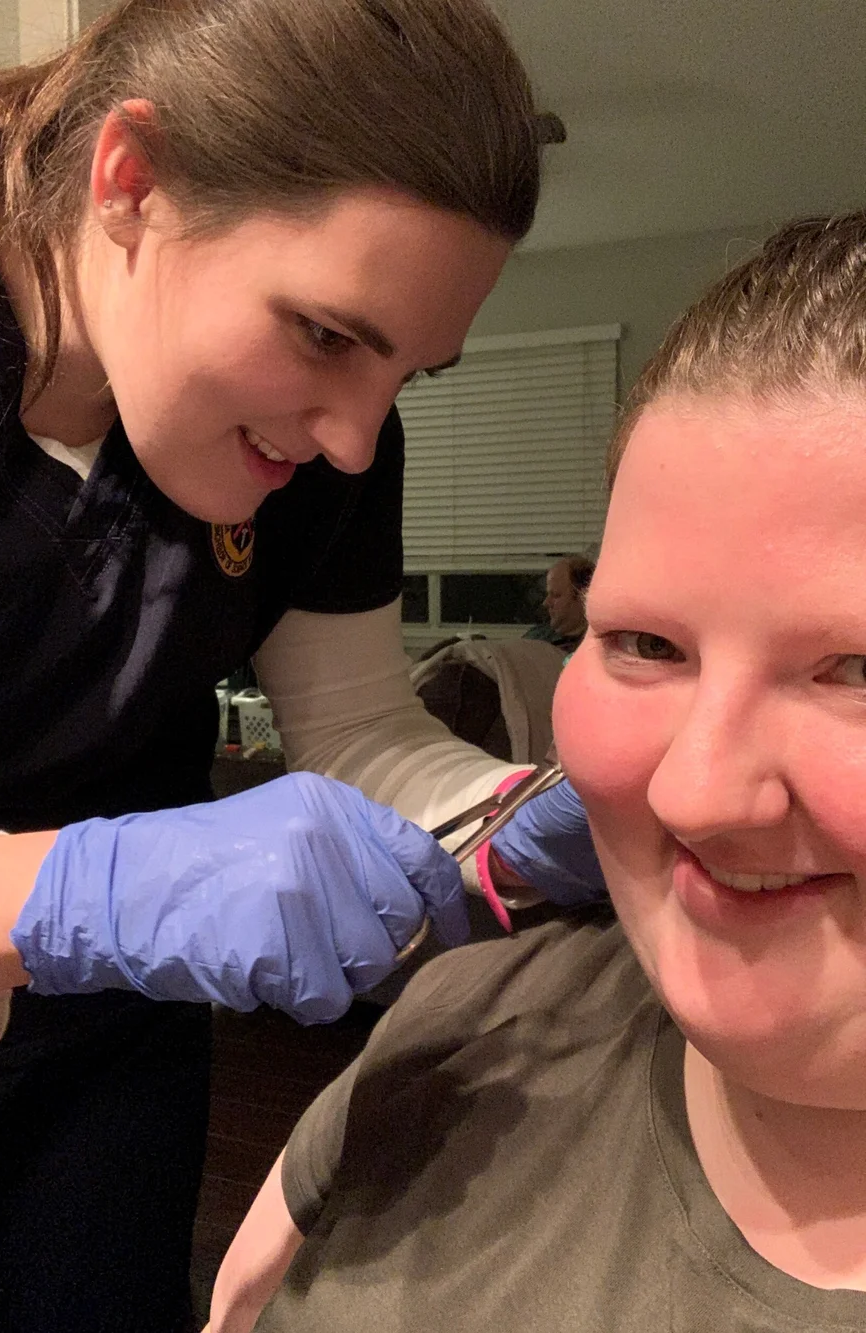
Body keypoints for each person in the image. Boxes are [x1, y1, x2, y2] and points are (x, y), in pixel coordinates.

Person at [0, 2, 613, 1328]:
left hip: (99, 1067)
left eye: (409, 375)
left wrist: (526, 811)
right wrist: (59, 893)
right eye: (326, 335)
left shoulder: (331, 442)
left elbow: (358, 732)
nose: (349, 442)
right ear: (132, 183)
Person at [208, 213, 866, 1332]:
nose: (692, 790)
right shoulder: (473, 1026)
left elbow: (359, 719)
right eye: (645, 644)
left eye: (854, 669)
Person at [524, 553, 595, 652]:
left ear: (582, 597)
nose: (546, 603)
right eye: (548, 594)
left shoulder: (598, 645)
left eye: (556, 595)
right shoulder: (535, 638)